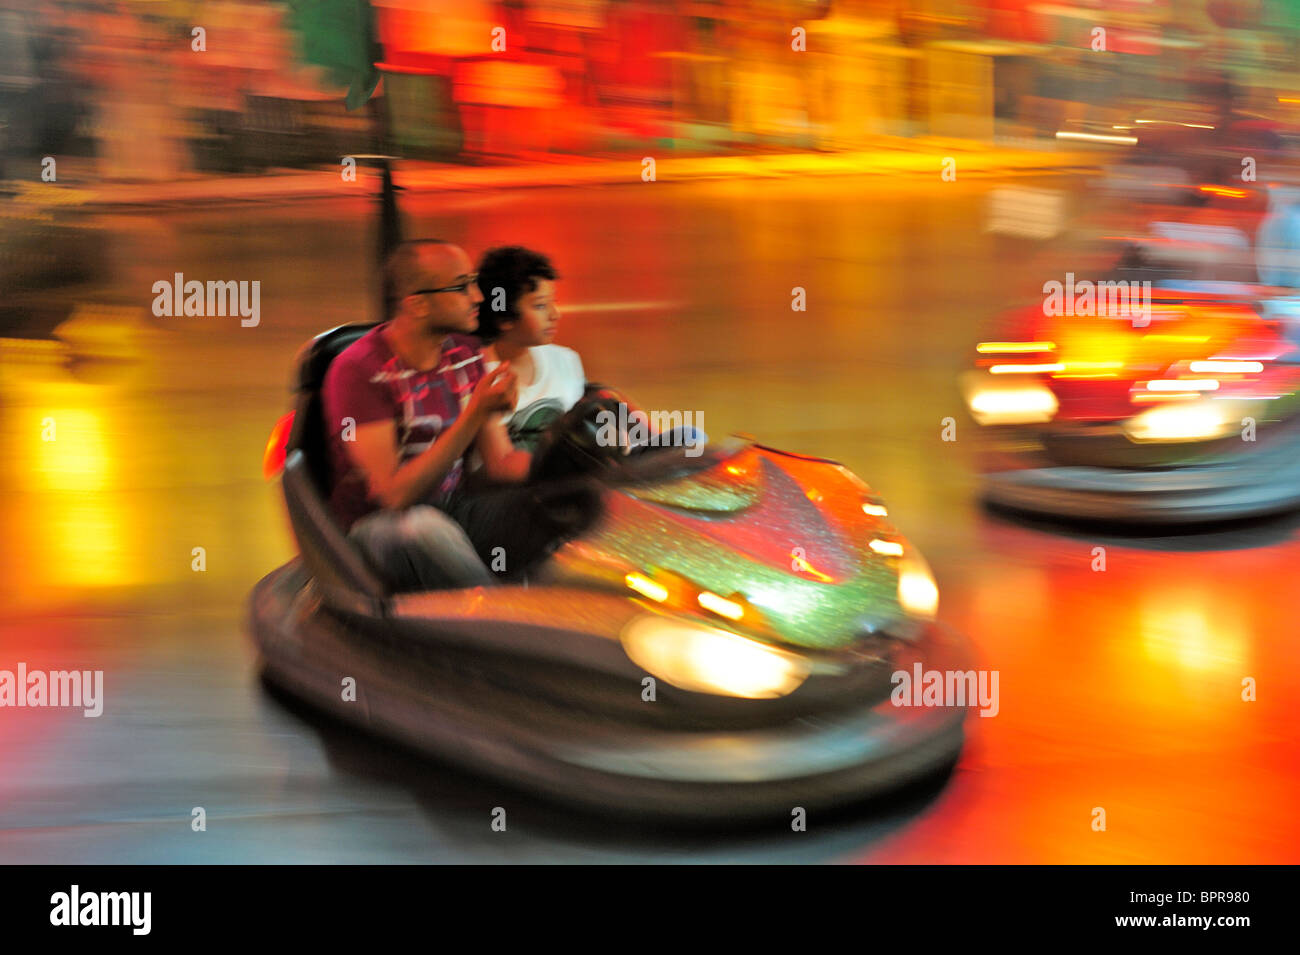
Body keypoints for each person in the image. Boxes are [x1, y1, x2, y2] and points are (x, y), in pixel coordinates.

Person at [322, 239, 581, 591]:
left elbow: (501, 460)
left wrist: (576, 465)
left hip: (453, 508)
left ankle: (571, 613)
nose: (478, 297)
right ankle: (501, 618)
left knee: (560, 506)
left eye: (474, 283)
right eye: (462, 287)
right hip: (376, 529)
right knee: (424, 528)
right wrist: (474, 414)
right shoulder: (359, 371)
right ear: (418, 305)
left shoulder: (466, 353)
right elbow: (393, 497)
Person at [474, 246, 586, 453]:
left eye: (553, 302)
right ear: (504, 317)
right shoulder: (478, 376)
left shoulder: (565, 361)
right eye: (541, 306)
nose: (555, 314)